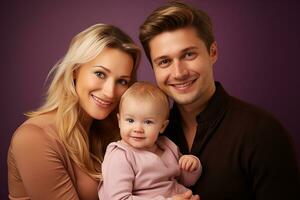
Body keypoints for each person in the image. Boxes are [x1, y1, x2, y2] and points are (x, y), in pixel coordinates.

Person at [139, 1, 300, 200]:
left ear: (212, 52)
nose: (178, 73)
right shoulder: (150, 136)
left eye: (189, 54)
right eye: (164, 62)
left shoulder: (263, 132)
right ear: (154, 69)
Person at [7, 23, 140, 200]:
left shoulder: (111, 133)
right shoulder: (34, 138)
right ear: (75, 70)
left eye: (122, 81)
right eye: (100, 74)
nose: (110, 92)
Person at [98, 81, 201, 200]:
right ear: (119, 121)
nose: (138, 129)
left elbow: (187, 181)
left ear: (162, 126)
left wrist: (191, 165)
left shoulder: (167, 146)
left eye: (148, 122)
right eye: (130, 120)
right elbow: (119, 198)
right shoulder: (120, 155)